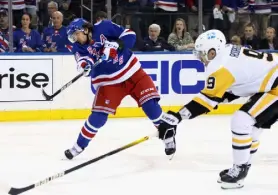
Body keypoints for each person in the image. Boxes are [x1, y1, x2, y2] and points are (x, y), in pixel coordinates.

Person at [157, 29, 278, 189]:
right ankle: (242, 167)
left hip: (275, 87)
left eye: (201, 53)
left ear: (212, 52)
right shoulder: (229, 53)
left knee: (241, 121)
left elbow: (206, 101)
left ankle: (239, 170)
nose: (200, 58)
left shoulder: (220, 66)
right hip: (271, 85)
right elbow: (230, 91)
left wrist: (176, 117)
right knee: (252, 129)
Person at [64, 18, 179, 160]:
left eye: (76, 34)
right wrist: (85, 66)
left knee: (151, 108)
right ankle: (78, 146)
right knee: (98, 117)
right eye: (73, 36)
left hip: (132, 72)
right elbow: (82, 60)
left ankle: (168, 138)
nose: (75, 39)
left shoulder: (104, 26)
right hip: (108, 81)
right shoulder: (77, 47)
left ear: (86, 30)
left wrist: (117, 44)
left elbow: (130, 35)